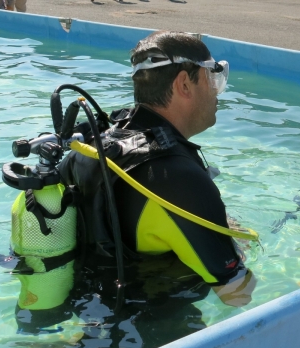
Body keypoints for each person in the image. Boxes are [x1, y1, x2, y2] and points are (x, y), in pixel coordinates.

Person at [58, 30, 256, 312]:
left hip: (90, 311)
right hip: (150, 330)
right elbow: (238, 294)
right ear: (184, 84)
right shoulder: (178, 179)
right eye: (212, 78)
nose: (217, 92)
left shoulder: (94, 144)